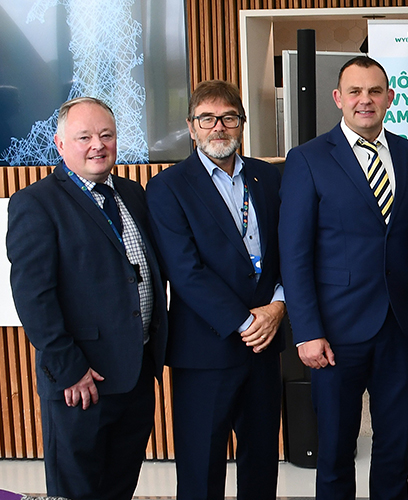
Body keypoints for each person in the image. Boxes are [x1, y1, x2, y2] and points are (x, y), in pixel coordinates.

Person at [279, 55, 408, 500]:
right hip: (335, 333)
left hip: (401, 328)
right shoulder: (307, 159)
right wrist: (306, 331)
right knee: (336, 451)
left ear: (389, 98)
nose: (365, 100)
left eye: (374, 91)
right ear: (338, 99)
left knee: (395, 447)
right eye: (355, 92)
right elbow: (295, 252)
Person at [6, 97, 168, 500]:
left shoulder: (133, 194)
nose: (98, 145)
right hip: (82, 383)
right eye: (84, 137)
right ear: (60, 145)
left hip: (135, 376)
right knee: (76, 492)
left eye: (107, 135)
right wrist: (69, 369)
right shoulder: (36, 203)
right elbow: (33, 297)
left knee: (119, 487)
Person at [145, 80, 284, 500]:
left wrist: (278, 306)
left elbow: (288, 251)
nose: (218, 127)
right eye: (207, 118)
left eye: (228, 118)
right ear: (191, 127)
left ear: (241, 124)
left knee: (261, 463)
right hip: (206, 351)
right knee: (201, 468)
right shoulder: (168, 187)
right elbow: (186, 272)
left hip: (265, 346)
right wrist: (247, 322)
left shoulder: (268, 177)